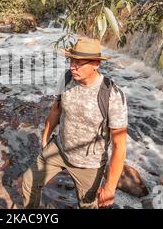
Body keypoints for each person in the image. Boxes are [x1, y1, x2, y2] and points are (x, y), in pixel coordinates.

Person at [21, 37, 128, 208]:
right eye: (71, 60)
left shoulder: (112, 95)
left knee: (88, 206)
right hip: (59, 149)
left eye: (79, 62)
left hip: (89, 165)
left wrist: (110, 187)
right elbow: (56, 109)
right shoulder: (66, 78)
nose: (73, 66)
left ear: (96, 64)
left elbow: (119, 145)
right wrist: (45, 136)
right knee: (29, 182)